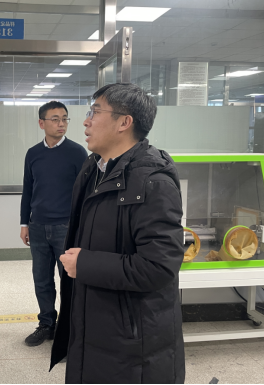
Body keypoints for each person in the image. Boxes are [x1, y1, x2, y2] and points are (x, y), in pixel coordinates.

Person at [51, 83, 185, 384]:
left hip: (132, 339)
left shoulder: (153, 183)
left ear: (124, 122)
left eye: (94, 112)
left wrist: (84, 264)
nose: (85, 121)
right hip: (96, 321)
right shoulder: (95, 170)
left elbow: (159, 267)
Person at [20, 101, 88, 347]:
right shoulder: (33, 154)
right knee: (41, 279)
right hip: (37, 226)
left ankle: (69, 328)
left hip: (65, 228)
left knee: (68, 279)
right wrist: (24, 223)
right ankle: (46, 324)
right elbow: (28, 190)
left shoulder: (77, 153)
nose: (61, 124)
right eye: (55, 119)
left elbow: (85, 193)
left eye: (65, 119)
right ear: (42, 123)